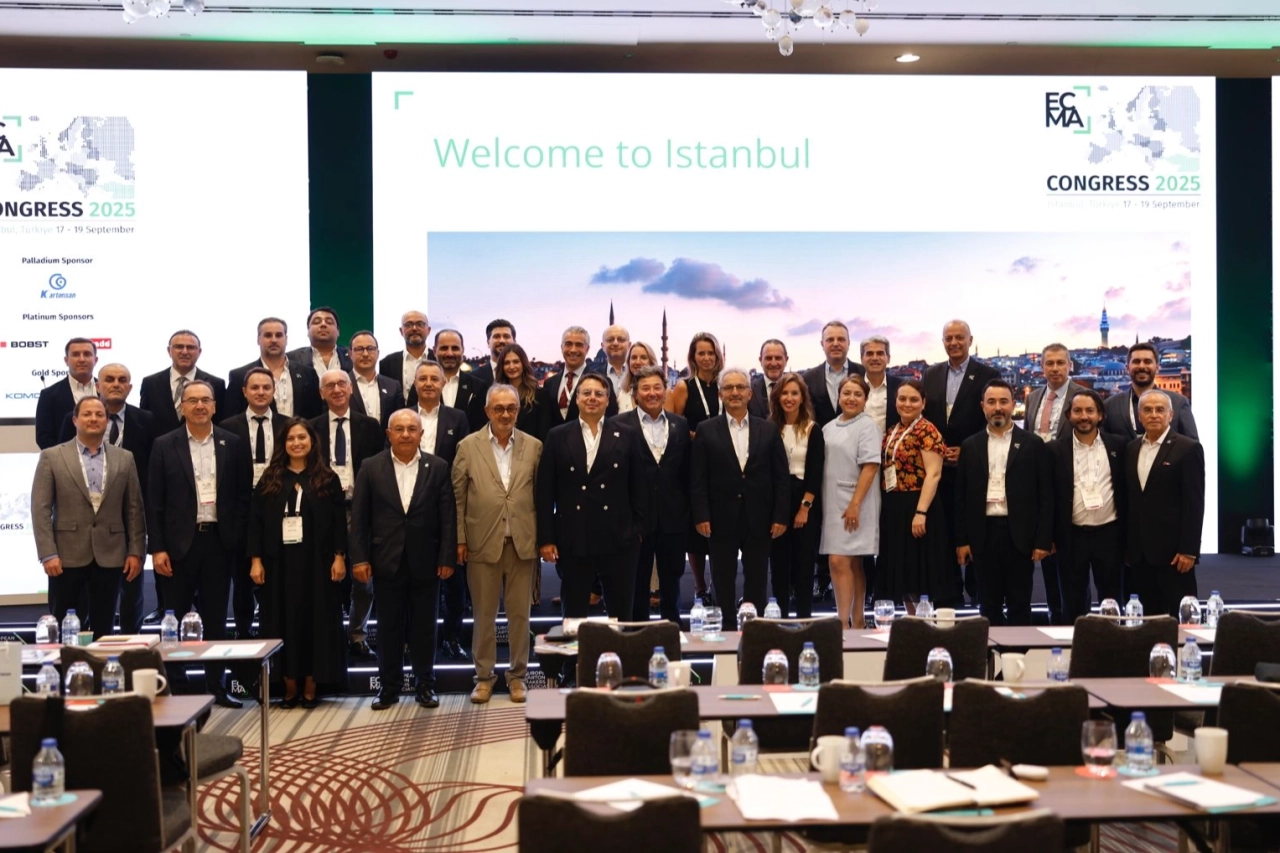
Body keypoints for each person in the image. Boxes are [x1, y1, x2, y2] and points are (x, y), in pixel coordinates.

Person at [147, 379, 249, 707]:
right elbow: (155, 501)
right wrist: (157, 548)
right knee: (174, 619)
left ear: (215, 406)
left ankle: (216, 686)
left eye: (206, 400)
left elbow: (242, 495)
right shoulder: (164, 445)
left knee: (217, 619)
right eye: (193, 400)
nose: (200, 406)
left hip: (219, 542)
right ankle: (176, 686)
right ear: (183, 407)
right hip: (178, 546)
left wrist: (236, 536)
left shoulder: (233, 443)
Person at [350, 410, 457, 711]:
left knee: (425, 626)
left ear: (421, 434)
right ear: (389, 434)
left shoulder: (438, 467)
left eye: (412, 429)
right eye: (399, 429)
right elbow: (360, 518)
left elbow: (447, 516)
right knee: (388, 627)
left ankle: (425, 685)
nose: (406, 434)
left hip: (427, 560)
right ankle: (389, 687)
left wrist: (447, 556)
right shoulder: (371, 467)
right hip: (386, 560)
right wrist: (359, 559)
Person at [452, 384, 543, 704]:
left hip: (522, 543)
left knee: (520, 616)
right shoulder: (467, 446)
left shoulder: (534, 446)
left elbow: (542, 496)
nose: (505, 414)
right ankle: (483, 678)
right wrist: (460, 539)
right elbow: (458, 497)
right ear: (487, 411)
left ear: (518, 411)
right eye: (499, 408)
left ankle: (518, 677)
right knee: (484, 616)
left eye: (511, 408)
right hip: (481, 542)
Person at [248, 418, 348, 708]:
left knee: (316, 621)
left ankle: (311, 685)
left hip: (318, 565)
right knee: (282, 620)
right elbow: (255, 523)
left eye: (302, 437)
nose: (297, 443)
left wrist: (339, 556)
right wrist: (256, 560)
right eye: (291, 438)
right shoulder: (270, 479)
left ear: (312, 441)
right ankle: (289, 685)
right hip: (278, 565)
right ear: (283, 444)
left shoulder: (327, 478)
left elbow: (338, 523)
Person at [32, 397, 145, 637]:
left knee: (104, 628)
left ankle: (102, 662)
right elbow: (40, 509)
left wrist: (136, 551)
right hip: (65, 556)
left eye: (99, 414)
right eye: (87, 414)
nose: (93, 419)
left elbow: (134, 509)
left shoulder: (125, 458)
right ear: (75, 420)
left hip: (111, 554)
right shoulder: (52, 456)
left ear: (107, 421)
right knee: (65, 629)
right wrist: (48, 553)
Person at [56, 363, 157, 634]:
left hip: (129, 514)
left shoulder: (146, 420)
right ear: (98, 385)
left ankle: (130, 644)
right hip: (84, 520)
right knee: (82, 601)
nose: (116, 384)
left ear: (130, 388)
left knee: (131, 591)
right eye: (109, 379)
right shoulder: (74, 419)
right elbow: (64, 463)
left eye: (122, 380)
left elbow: (152, 469)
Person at [537, 373, 646, 618]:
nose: (592, 398)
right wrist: (546, 538)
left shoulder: (627, 434)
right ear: (577, 399)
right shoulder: (557, 435)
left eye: (599, 394)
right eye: (586, 393)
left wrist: (638, 529)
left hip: (619, 538)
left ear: (608, 401)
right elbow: (545, 491)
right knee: (574, 615)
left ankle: (618, 646)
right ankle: (575, 647)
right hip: (573, 537)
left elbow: (640, 486)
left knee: (621, 615)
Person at [691, 367, 788, 630]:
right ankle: (725, 634)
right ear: (720, 394)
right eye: (728, 388)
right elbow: (697, 478)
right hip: (719, 518)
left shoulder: (768, 429)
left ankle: (754, 633)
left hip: (760, 518)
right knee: (722, 581)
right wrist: (701, 515)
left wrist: (780, 516)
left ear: (749, 393)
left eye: (740, 387)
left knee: (757, 580)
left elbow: (780, 477)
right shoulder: (706, 430)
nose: (735, 392)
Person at [955, 379, 1053, 627]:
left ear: (1013, 404)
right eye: (991, 402)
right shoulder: (970, 445)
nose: (997, 407)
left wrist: (1042, 540)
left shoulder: (1033, 444)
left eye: (1003, 401)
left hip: (1020, 536)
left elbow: (1045, 495)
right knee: (987, 606)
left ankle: (1019, 652)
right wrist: (962, 540)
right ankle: (991, 652)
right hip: (983, 536)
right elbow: (961, 498)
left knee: (1020, 605)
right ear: (983, 407)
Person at [923, 319, 1001, 602]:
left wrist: (967, 450)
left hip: (976, 467)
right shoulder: (930, 374)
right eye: (949, 338)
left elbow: (993, 418)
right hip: (939, 470)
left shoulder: (988, 374)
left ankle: (980, 596)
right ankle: (949, 598)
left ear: (970, 340)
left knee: (976, 530)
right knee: (943, 535)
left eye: (959, 337)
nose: (954, 343)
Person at [309, 369, 385, 657]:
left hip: (360, 509)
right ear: (322, 393)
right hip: (323, 510)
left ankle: (356, 634)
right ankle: (327, 636)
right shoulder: (311, 427)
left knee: (363, 578)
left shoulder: (371, 426)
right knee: (323, 576)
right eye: (329, 386)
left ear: (351, 388)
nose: (337, 389)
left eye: (342, 383)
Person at [610, 365, 691, 623]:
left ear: (666, 391)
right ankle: (638, 638)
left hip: (673, 519)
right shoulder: (618, 425)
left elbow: (686, 473)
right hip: (636, 521)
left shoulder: (680, 424)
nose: (652, 393)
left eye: (657, 387)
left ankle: (672, 635)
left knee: (672, 584)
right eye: (645, 388)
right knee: (637, 584)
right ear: (635, 394)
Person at [1046, 389, 1127, 622]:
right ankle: (1075, 644)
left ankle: (1113, 640)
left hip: (1109, 534)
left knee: (1112, 601)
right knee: (1072, 603)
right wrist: (1048, 536)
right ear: (1068, 415)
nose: (1084, 416)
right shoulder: (1054, 450)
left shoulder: (1120, 446)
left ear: (1100, 415)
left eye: (1090, 411)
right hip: (1071, 536)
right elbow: (1047, 497)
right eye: (1078, 411)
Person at [220, 366, 288, 640]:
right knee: (241, 573)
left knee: (276, 571)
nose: (261, 392)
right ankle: (243, 629)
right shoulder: (226, 427)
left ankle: (275, 628)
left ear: (274, 391)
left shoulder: (288, 425)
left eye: (266, 387)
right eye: (255, 388)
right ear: (244, 392)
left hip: (278, 506)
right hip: (241, 508)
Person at [878, 379, 957, 612]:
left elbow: (934, 474)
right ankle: (913, 621)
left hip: (919, 504)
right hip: (895, 505)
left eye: (913, 399)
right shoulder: (893, 430)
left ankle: (926, 623)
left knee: (920, 571)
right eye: (902, 399)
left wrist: (921, 512)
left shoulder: (927, 430)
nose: (907, 404)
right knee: (904, 572)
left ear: (923, 403)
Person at [1124, 389, 1205, 618]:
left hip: (1175, 555)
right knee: (1148, 620)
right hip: (1140, 554)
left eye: (1160, 410)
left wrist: (1189, 550)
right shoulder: (1131, 449)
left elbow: (1194, 503)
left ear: (1170, 415)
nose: (1154, 415)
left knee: (1181, 619)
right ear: (1139, 416)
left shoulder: (1188, 448)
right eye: (1147, 410)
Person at [413, 361, 470, 660]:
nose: (428, 383)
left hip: (449, 506)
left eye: (434, 379)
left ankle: (452, 638)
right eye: (422, 378)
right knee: (416, 582)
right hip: (410, 509)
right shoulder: (403, 415)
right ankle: (414, 640)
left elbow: (465, 460)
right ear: (414, 383)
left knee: (455, 583)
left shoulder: (457, 418)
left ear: (443, 383)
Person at [1022, 342, 1084, 624]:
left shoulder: (1083, 396)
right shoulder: (1034, 397)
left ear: (1070, 365)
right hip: (1038, 487)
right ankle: (1053, 617)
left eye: (1061, 363)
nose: (1055, 368)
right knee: (1046, 556)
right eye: (1050, 363)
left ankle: (1076, 624)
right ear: (1042, 366)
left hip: (1072, 487)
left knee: (1071, 567)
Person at [821, 375, 882, 629]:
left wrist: (855, 504)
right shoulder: (828, 427)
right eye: (847, 393)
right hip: (832, 502)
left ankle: (842, 623)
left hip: (856, 502)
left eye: (858, 394)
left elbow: (870, 466)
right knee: (852, 562)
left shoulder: (868, 426)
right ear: (838, 397)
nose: (851, 398)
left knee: (838, 561)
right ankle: (856, 621)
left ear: (865, 399)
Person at [666, 332, 723, 604]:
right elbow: (674, 425)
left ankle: (718, 584)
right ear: (693, 357)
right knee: (696, 530)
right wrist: (696, 436)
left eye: (711, 352)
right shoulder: (684, 387)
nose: (707, 358)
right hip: (694, 464)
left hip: (723, 464)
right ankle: (700, 587)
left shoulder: (726, 384)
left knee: (722, 526)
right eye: (701, 353)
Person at [768, 373, 825, 618]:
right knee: (779, 565)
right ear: (777, 397)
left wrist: (805, 507)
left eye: (794, 393)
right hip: (776, 500)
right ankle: (780, 621)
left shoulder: (813, 429)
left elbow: (815, 472)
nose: (789, 398)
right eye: (784, 393)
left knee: (803, 565)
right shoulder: (769, 428)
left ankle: (804, 620)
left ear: (803, 398)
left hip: (805, 499)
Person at [226, 317, 321, 421]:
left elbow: (316, 414)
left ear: (286, 339)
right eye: (268, 335)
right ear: (258, 340)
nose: (274, 340)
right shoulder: (239, 376)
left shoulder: (308, 373)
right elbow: (231, 420)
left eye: (279, 335)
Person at [1103, 341, 1199, 441]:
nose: (1141, 366)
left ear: (1157, 368)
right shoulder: (1110, 405)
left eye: (1147, 361)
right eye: (1136, 361)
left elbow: (1193, 446)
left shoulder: (1178, 403)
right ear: (1127, 368)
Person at [139, 330, 226, 437]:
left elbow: (219, 423)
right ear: (169, 350)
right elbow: (144, 422)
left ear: (199, 351)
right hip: (160, 446)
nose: (184, 352)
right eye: (179, 347)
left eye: (191, 347)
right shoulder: (150, 384)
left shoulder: (216, 384)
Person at [537, 326, 617, 439]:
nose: (573, 350)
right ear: (562, 347)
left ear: (587, 349)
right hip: (556, 447)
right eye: (568, 344)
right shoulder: (550, 383)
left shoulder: (602, 381)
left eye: (579, 345)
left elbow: (611, 419)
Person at [35, 338, 98, 450]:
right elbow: (43, 438)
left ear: (95, 360)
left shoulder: (107, 391)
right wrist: (65, 457)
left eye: (87, 354)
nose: (82, 359)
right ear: (66, 360)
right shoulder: (49, 395)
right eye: (76, 354)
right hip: (63, 459)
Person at [803, 321, 867, 427]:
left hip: (858, 435)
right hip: (821, 436)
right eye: (830, 340)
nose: (836, 344)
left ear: (848, 343)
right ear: (822, 344)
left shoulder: (864, 373)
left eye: (841, 339)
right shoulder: (808, 379)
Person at [348, 330, 403, 431]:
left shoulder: (393, 386)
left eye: (370, 349)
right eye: (359, 349)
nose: (365, 354)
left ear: (378, 353)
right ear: (350, 354)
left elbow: (399, 422)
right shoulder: (341, 385)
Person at [435, 329, 490, 432]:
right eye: (444, 348)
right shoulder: (422, 386)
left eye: (455, 348)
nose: (449, 353)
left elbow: (483, 426)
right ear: (434, 351)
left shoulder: (478, 386)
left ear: (462, 350)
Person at [378, 310, 434, 407]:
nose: (414, 328)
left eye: (420, 324)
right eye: (408, 325)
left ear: (428, 330)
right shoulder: (386, 363)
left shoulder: (438, 360)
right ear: (401, 331)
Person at [288, 305, 353, 380]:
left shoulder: (352, 355)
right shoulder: (290, 358)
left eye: (329, 322)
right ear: (308, 331)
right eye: (316, 322)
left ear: (338, 331)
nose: (323, 324)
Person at [494, 343, 543, 438]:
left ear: (523, 364)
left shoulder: (540, 395)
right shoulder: (495, 395)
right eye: (507, 363)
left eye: (516, 362)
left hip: (530, 446)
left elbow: (543, 432)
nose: (511, 367)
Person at [860, 335, 902, 435]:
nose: (875, 358)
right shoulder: (852, 387)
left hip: (892, 444)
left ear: (888, 358)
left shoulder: (901, 387)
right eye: (869, 354)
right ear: (862, 359)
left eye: (880, 353)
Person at [468, 319, 516, 385]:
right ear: (488, 343)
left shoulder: (526, 376)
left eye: (506, 336)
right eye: (496, 336)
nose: (502, 340)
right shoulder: (472, 378)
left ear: (514, 342)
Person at [749, 339, 789, 419]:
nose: (773, 363)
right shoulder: (749, 390)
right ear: (760, 360)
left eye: (778, 358)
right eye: (768, 358)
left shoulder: (797, 389)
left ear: (786, 360)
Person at [617, 341, 658, 415]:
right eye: (634, 358)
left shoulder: (662, 393)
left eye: (643, 358)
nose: (638, 362)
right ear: (628, 362)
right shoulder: (622, 394)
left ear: (651, 362)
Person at [601, 324, 632, 398]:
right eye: (610, 340)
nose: (615, 343)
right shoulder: (593, 375)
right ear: (602, 346)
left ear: (629, 345)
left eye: (621, 340)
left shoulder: (638, 374)